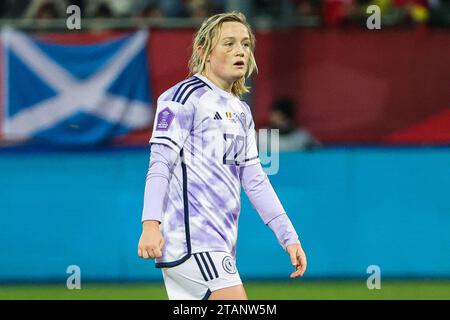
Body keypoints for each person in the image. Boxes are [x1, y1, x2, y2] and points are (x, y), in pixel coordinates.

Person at [137, 11, 307, 300]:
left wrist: (288, 236)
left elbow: (254, 180)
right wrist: (150, 224)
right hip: (193, 244)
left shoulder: (241, 111)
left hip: (220, 245)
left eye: (245, 44)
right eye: (228, 43)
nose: (239, 51)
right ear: (203, 51)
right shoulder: (181, 98)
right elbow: (160, 164)